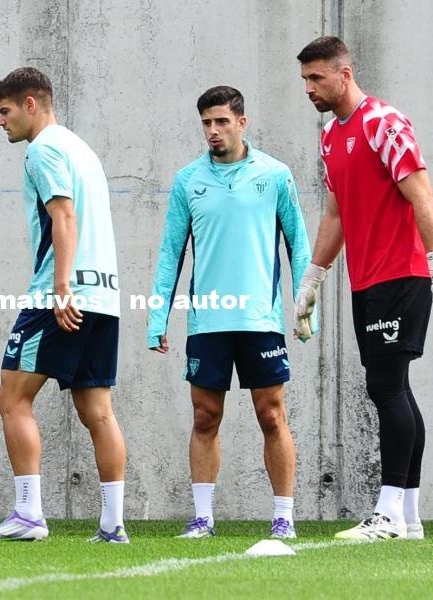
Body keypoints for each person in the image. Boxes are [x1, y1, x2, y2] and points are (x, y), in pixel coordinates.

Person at [295, 36, 433, 540]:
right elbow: (335, 213)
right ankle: (409, 515)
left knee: (385, 386)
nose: (308, 88)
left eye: (317, 78)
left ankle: (390, 511)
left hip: (402, 274)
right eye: (305, 79)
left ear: (344, 74)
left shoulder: (384, 123)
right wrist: (313, 278)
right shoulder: (330, 137)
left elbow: (420, 190)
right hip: (365, 279)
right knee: (394, 388)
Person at [148, 86, 311, 540]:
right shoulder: (187, 180)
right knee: (204, 418)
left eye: (221, 121)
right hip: (209, 321)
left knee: (272, 416)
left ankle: (284, 518)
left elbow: (299, 244)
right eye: (206, 123)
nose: (213, 131)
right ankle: (202, 519)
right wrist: (157, 318)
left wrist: (304, 308)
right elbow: (170, 254)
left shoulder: (275, 174)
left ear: (242, 122)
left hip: (260, 320)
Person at [0, 67, 128, 543]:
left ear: (31, 104)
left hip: (59, 297)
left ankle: (27, 515)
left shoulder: (43, 150)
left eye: (5, 111)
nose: (1, 122)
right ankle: (113, 524)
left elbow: (63, 216)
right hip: (104, 296)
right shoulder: (82, 148)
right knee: (97, 409)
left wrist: (61, 288)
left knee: (11, 397)